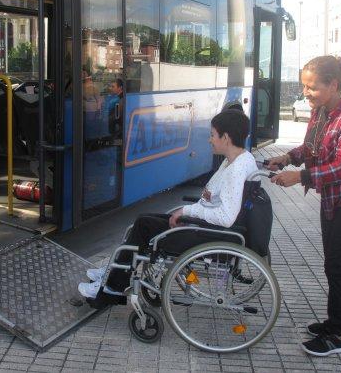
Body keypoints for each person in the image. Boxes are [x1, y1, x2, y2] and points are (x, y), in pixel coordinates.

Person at [266, 55, 341, 357]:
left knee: (337, 264)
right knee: (337, 263)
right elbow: (311, 147)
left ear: (333, 84)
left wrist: (300, 176)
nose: (306, 93)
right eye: (305, 87)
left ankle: (337, 334)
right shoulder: (322, 109)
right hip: (334, 196)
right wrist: (289, 157)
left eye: (311, 87)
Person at [78, 108, 258, 299]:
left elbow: (226, 217)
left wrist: (186, 211)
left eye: (212, 135)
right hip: (203, 226)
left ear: (226, 138)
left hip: (207, 233)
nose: (209, 139)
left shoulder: (236, 169)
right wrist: (189, 212)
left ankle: (113, 286)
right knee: (144, 221)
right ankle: (114, 270)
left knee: (143, 225)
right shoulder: (239, 160)